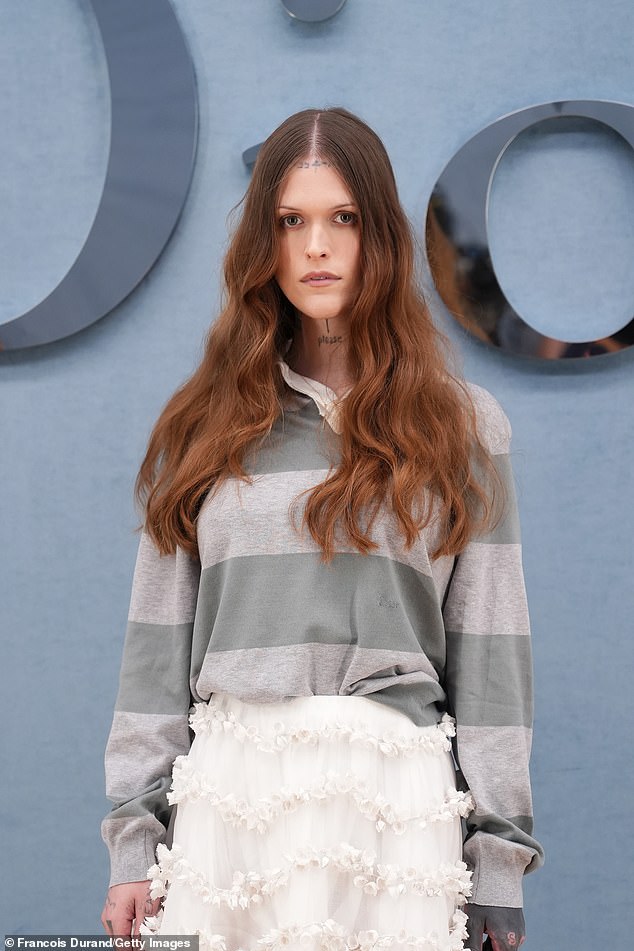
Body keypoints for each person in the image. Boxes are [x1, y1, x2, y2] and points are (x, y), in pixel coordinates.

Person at [100, 107, 544, 951]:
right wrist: (133, 841)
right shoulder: (202, 427)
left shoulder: (461, 425)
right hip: (230, 807)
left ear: (380, 235)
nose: (316, 247)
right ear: (262, 244)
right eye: (289, 221)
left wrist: (498, 860)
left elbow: (492, 647)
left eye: (343, 217)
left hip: (395, 809)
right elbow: (154, 651)